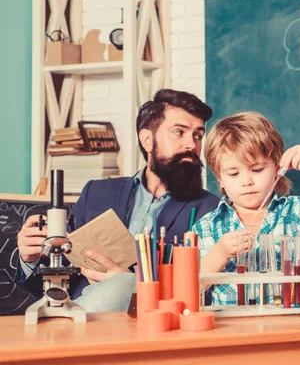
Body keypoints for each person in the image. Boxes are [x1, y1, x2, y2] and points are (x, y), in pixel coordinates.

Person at [16, 89, 220, 311]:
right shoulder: (97, 193)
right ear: (147, 140)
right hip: (80, 313)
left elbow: (207, 296)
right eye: (179, 132)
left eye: (198, 135)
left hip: (152, 324)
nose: (192, 145)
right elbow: (57, 282)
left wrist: (133, 286)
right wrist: (30, 259)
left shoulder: (211, 210)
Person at [193, 112, 300, 305]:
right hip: (236, 332)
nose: (246, 181)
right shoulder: (207, 227)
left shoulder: (295, 213)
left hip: (295, 330)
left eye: (257, 170)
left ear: (277, 169)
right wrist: (220, 253)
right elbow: (192, 289)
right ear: (220, 179)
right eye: (233, 173)